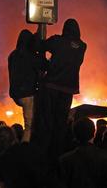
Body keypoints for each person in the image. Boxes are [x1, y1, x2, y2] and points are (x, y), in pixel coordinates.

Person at [32, 18, 86, 161]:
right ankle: (57, 152)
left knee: (46, 119)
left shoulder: (58, 41)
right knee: (60, 121)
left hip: (51, 85)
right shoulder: (82, 46)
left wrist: (38, 33)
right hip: (68, 89)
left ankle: (43, 152)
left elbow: (40, 46)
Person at [8, 29, 45, 142]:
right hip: (28, 93)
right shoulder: (30, 56)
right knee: (29, 126)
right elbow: (44, 66)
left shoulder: (13, 55)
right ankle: (26, 148)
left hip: (16, 93)